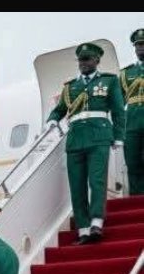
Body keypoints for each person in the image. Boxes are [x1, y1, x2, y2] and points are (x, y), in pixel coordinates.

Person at [47, 42, 127, 244]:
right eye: (81, 60)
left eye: (87, 59)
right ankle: (83, 229)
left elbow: (118, 111)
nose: (83, 63)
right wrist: (52, 120)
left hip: (99, 136)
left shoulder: (109, 82)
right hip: (75, 140)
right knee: (77, 185)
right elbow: (60, 110)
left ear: (96, 61)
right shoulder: (70, 87)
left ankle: (97, 223)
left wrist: (119, 137)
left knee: (97, 181)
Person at [122, 29, 144, 196]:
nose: (140, 48)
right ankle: (137, 198)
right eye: (137, 45)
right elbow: (116, 102)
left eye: (143, 44)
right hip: (132, 123)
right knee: (133, 162)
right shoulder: (125, 73)